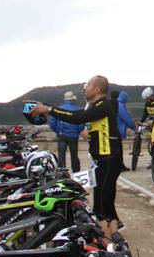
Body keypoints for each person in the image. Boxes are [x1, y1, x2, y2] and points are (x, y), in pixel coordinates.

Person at [28, 75, 122, 237]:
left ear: (98, 89)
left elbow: (78, 117)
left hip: (108, 159)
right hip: (104, 159)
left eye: (89, 85)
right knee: (105, 201)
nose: (85, 88)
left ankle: (105, 243)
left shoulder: (103, 105)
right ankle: (114, 236)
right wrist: (47, 108)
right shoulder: (97, 105)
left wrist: (49, 110)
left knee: (102, 203)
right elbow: (79, 115)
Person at [49, 91, 84, 173]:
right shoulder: (77, 109)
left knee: (61, 155)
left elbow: (52, 123)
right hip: (73, 136)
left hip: (62, 135)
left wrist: (58, 131)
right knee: (74, 156)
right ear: (72, 100)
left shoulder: (58, 109)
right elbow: (82, 123)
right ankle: (76, 173)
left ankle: (61, 173)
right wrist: (77, 131)